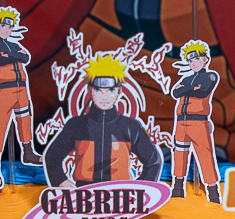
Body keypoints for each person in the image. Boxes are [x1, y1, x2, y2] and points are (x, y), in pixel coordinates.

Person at [42, 54, 162, 188]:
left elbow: (154, 161)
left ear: (119, 91)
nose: (104, 97)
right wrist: (60, 180)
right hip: (84, 194)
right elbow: (52, 156)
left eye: (111, 90)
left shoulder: (130, 127)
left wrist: (141, 189)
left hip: (121, 194)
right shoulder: (76, 125)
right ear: (89, 90)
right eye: (98, 90)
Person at [0, 6, 41, 191]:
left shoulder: (14, 46)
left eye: (9, 27)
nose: (6, 30)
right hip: (4, 89)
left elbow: (26, 57)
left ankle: (28, 152)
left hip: (21, 88)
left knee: (24, 119)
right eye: (3, 26)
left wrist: (11, 55)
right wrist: (12, 57)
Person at [170, 40, 221, 203]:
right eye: (190, 60)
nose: (194, 63)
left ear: (205, 59)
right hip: (181, 122)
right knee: (179, 154)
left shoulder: (210, 76)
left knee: (205, 155)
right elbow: (175, 93)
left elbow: (203, 92)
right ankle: (178, 188)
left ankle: (213, 192)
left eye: (197, 59)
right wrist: (193, 88)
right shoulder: (186, 78)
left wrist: (187, 90)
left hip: (198, 122)